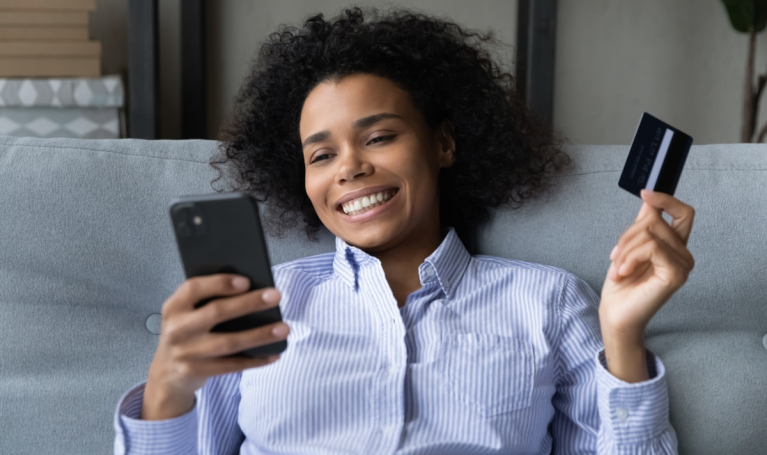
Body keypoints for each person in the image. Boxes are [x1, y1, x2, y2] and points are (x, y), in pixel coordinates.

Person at [114, 8, 695, 454]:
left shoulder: (546, 301)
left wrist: (621, 336)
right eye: (321, 156)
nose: (349, 168)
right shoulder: (259, 306)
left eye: (378, 136)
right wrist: (167, 386)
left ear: (443, 143)